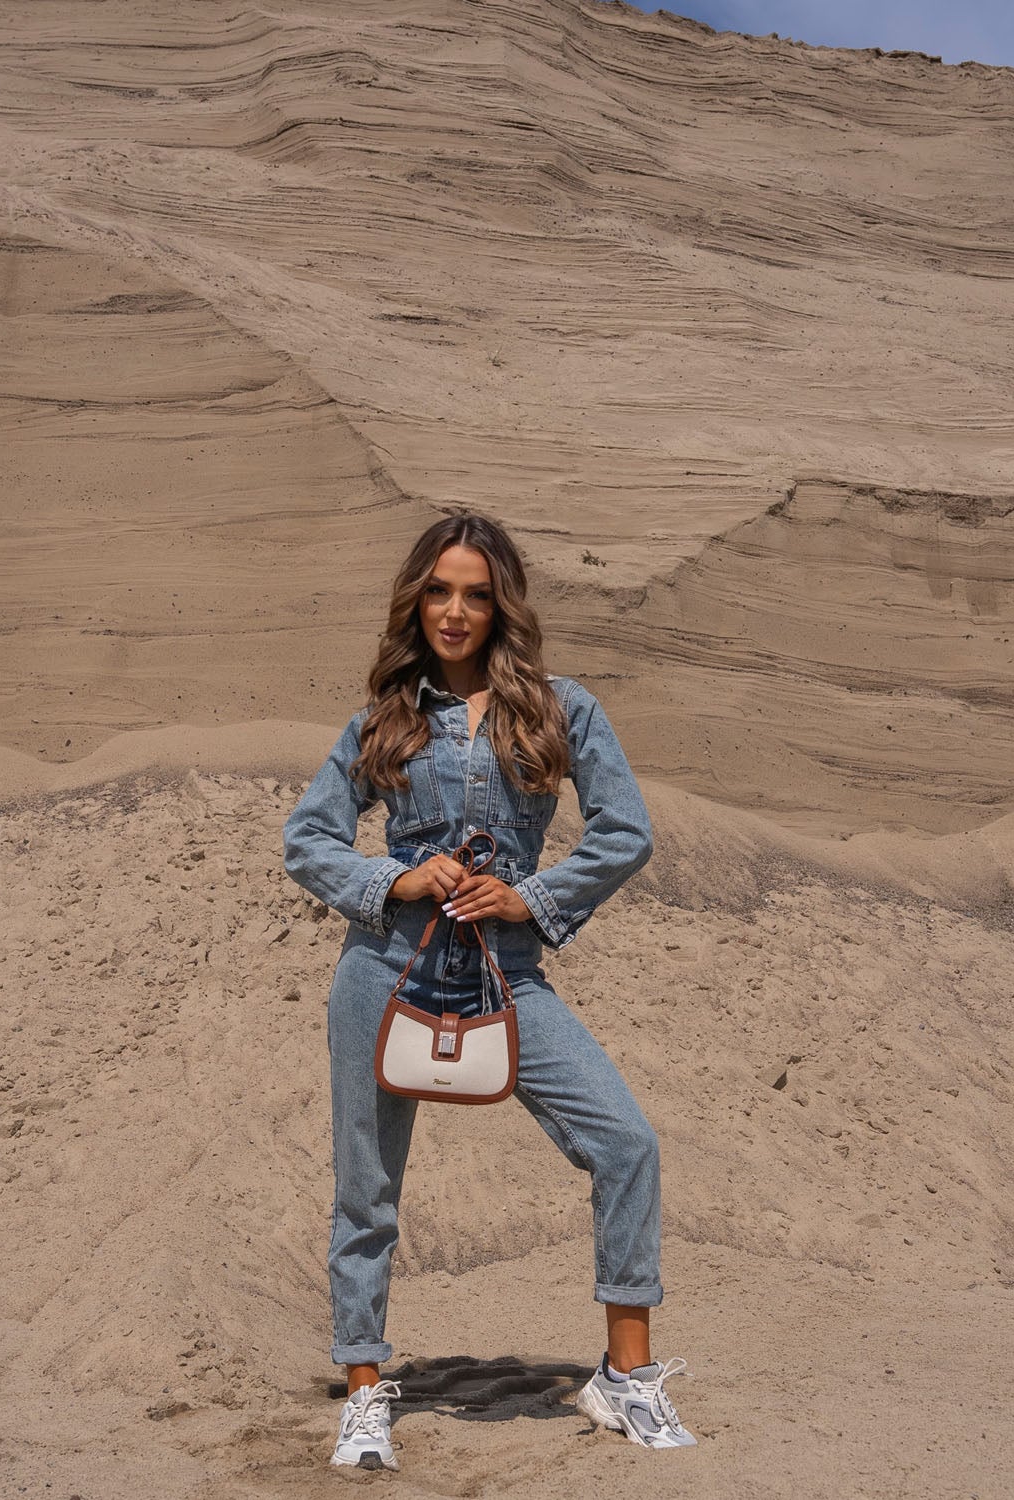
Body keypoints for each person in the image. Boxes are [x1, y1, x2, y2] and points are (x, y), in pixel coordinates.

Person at [282, 513, 696, 1469]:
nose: (455, 611)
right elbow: (308, 839)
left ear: (502, 604)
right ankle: (365, 1392)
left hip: (507, 974)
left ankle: (626, 1377)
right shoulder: (384, 719)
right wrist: (395, 879)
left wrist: (531, 896)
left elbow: (625, 832)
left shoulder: (560, 710)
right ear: (415, 601)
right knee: (367, 1189)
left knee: (626, 1142)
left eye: (475, 593)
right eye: (438, 591)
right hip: (385, 972)